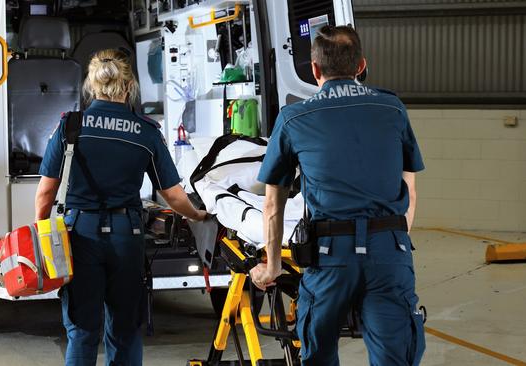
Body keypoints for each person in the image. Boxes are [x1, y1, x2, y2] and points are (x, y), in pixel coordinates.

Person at [250, 25, 426, 366]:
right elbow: (411, 190)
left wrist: (272, 266)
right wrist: (393, 245)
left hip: (330, 258)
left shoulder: (293, 118)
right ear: (361, 65)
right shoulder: (392, 109)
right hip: (389, 252)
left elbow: (273, 204)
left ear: (314, 70)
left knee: (318, 352)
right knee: (396, 358)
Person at [34, 49, 207, 366]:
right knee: (125, 330)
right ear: (129, 87)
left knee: (82, 331)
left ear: (92, 85)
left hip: (80, 236)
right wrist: (197, 215)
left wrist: (42, 232)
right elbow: (172, 194)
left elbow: (46, 191)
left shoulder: (71, 125)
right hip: (127, 237)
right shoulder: (145, 131)